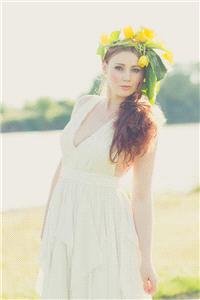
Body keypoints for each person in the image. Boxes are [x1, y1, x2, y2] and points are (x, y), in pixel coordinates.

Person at [35, 25, 172, 299]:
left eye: (136, 70)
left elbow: (142, 196)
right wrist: (49, 219)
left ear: (144, 74)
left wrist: (146, 258)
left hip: (104, 218)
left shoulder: (144, 121)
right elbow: (64, 166)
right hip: (64, 213)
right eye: (119, 67)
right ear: (104, 66)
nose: (127, 77)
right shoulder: (83, 104)